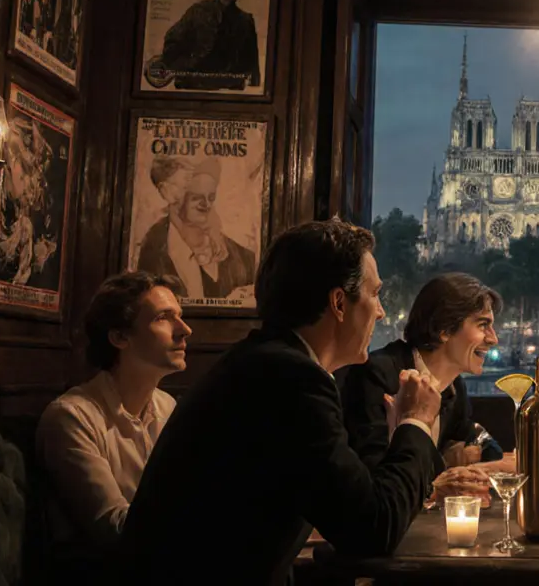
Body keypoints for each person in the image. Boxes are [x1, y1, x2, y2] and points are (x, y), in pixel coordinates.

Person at [117, 219, 444, 586]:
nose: (381, 312)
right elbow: (371, 529)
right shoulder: (290, 378)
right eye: (375, 294)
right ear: (339, 302)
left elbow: (348, 501)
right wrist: (415, 423)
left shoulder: (268, 363)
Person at [36, 273, 189, 551]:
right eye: (163, 317)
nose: (184, 329)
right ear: (119, 336)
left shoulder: (167, 406)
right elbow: (115, 529)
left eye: (179, 315)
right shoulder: (72, 417)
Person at [342, 272, 510, 471]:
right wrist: (443, 463)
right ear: (444, 329)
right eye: (483, 325)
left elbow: (474, 436)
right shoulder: (379, 375)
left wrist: (476, 450)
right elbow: (372, 471)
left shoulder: (454, 387)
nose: (493, 339)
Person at [135, 155, 257, 300]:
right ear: (166, 193)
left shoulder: (243, 259)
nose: (206, 205)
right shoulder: (150, 251)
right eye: (195, 196)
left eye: (211, 197)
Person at [153, 0, 261, 91]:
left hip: (228, 88)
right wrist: (183, 67)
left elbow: (252, 62)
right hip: (193, 85)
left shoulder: (245, 21)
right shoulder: (199, 10)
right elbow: (172, 41)